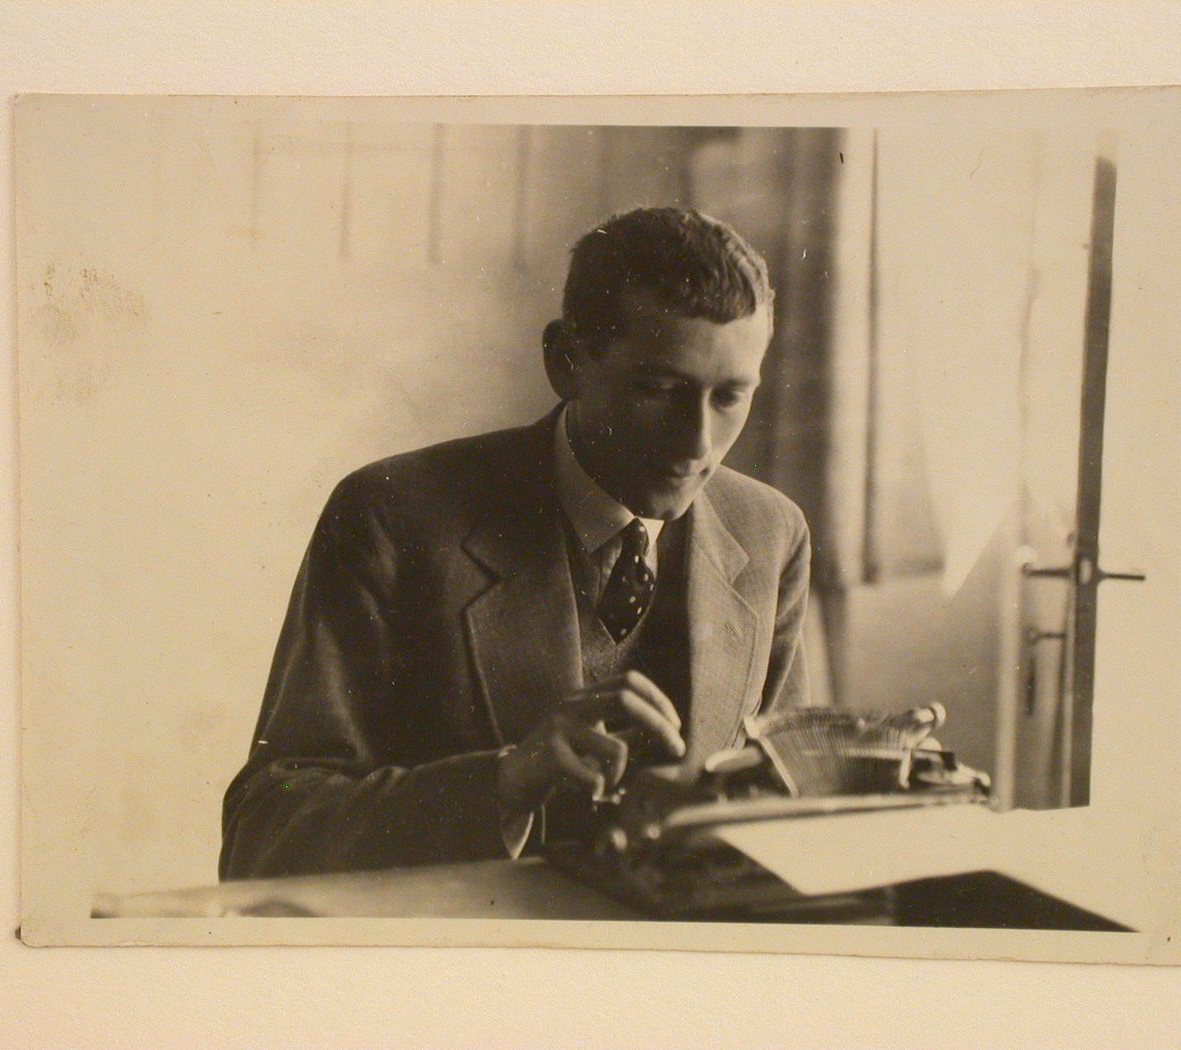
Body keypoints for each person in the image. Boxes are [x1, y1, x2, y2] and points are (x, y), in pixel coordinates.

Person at [219, 207, 811, 879]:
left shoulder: (770, 532)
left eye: (731, 396)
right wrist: (501, 783)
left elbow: (786, 806)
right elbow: (263, 836)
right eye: (656, 390)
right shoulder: (390, 515)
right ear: (565, 361)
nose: (697, 445)